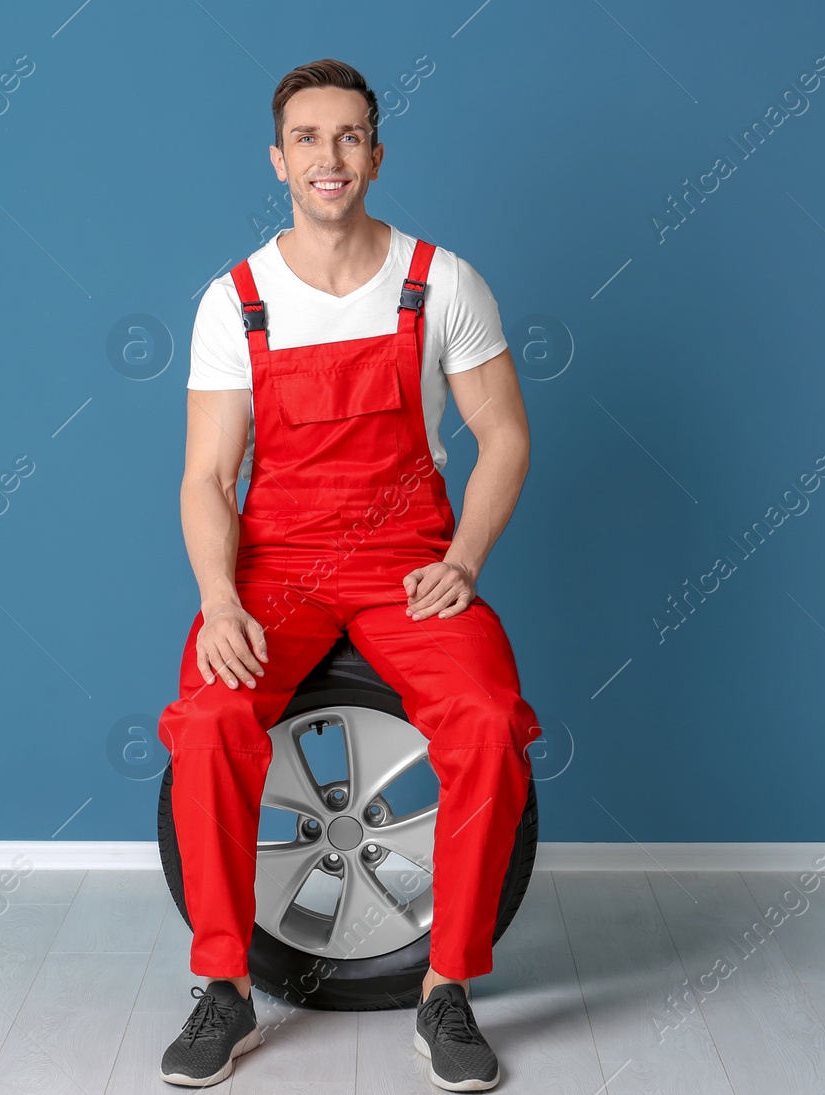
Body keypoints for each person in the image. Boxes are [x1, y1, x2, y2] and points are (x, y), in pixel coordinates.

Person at [156, 57, 541, 1092]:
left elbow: (503, 437)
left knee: (487, 719)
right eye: (309, 139)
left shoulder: (440, 281)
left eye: (350, 137)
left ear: (377, 152)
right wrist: (219, 596)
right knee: (207, 721)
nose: (330, 158)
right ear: (277, 159)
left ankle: (446, 988)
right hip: (273, 563)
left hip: (408, 562)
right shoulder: (236, 300)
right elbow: (204, 477)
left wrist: (462, 560)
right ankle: (225, 989)